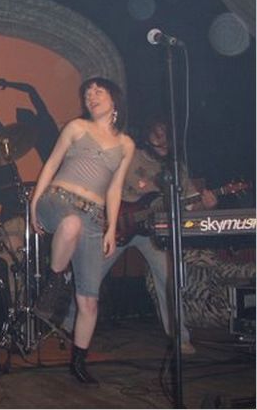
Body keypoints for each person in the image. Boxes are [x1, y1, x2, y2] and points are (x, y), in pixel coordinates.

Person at [62, 118, 217, 355]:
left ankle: (179, 337)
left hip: (151, 232)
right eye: (157, 135)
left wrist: (205, 204)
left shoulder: (176, 167)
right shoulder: (131, 155)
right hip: (118, 225)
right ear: (148, 136)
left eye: (166, 137)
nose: (162, 141)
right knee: (90, 275)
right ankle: (68, 324)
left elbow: (189, 203)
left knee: (168, 278)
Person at [30, 77, 135, 385]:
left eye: (98, 91)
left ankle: (78, 361)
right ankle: (55, 279)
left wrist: (110, 228)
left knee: (88, 299)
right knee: (71, 223)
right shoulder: (76, 127)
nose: (91, 96)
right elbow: (51, 165)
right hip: (57, 201)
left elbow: (114, 189)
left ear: (114, 100)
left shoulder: (126, 145)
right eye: (88, 93)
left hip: (94, 216)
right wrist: (34, 204)